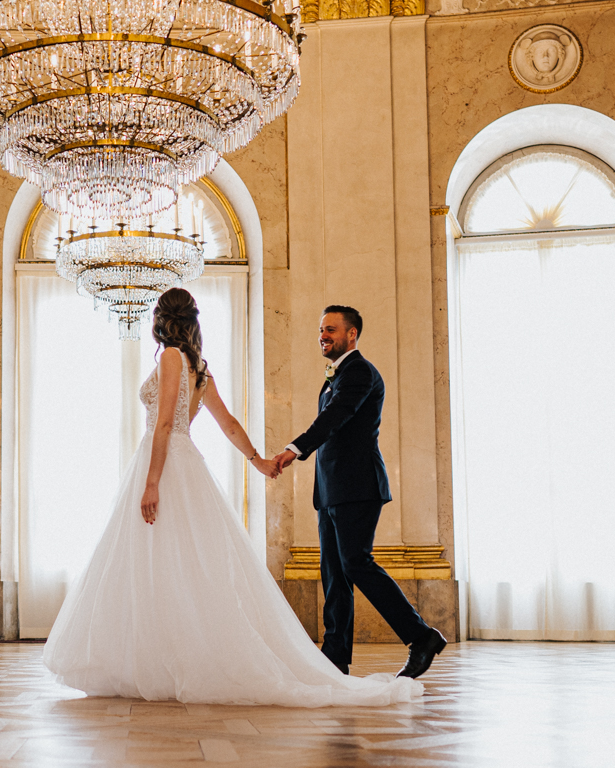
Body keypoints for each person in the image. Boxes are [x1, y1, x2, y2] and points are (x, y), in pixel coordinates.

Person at [42, 289, 422, 707]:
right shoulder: (200, 369)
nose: (323, 334)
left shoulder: (170, 356)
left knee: (157, 559)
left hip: (166, 465)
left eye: (330, 328)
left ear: (161, 318)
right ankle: (170, 656)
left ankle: (161, 658)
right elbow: (228, 424)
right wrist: (258, 460)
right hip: (188, 465)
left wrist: (152, 482)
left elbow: (165, 424)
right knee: (181, 562)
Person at [273, 306, 447, 679]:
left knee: (356, 564)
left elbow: (333, 419)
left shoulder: (360, 372)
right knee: (334, 573)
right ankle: (334, 658)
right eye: (321, 329)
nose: (323, 335)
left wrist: (294, 449)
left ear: (352, 335)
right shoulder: (335, 375)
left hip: (358, 486)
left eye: (331, 329)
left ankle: (421, 637)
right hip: (332, 490)